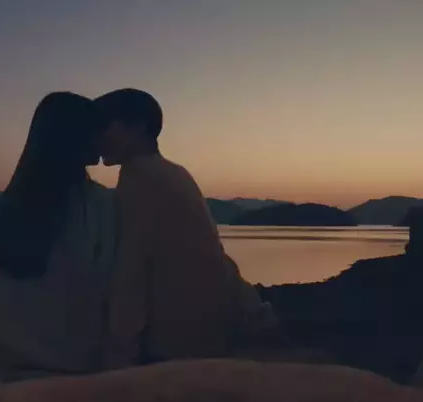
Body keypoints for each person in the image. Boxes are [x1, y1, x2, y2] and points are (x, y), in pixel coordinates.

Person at [94, 88, 292, 369]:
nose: (97, 136)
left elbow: (131, 272)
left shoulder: (140, 178)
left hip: (176, 349)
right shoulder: (175, 172)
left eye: (104, 125)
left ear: (138, 127)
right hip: (211, 334)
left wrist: (118, 356)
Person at [0, 92, 116, 384]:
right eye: (97, 129)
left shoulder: (16, 202)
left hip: (4, 368)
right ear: (77, 136)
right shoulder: (97, 204)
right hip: (71, 371)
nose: (105, 137)